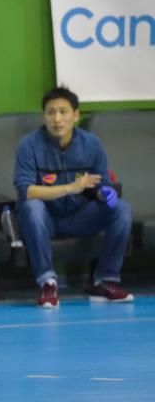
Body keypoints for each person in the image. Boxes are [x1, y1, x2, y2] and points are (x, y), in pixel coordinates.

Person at [14, 86, 134, 308]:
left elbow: (102, 183)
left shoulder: (92, 144)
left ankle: (105, 281)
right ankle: (47, 284)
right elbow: (27, 190)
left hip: (80, 217)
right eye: (51, 112)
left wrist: (104, 193)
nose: (57, 119)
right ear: (44, 116)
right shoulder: (28, 145)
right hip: (45, 220)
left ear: (76, 115)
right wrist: (71, 187)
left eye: (63, 111)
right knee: (31, 207)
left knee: (121, 208)